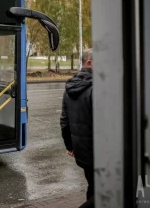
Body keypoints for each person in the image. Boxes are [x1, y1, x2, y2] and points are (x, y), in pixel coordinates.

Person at [60, 48, 94, 207]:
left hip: (82, 153)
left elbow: (64, 121)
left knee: (93, 187)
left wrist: (70, 146)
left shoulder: (70, 87)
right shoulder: (97, 88)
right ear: (89, 62)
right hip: (99, 153)